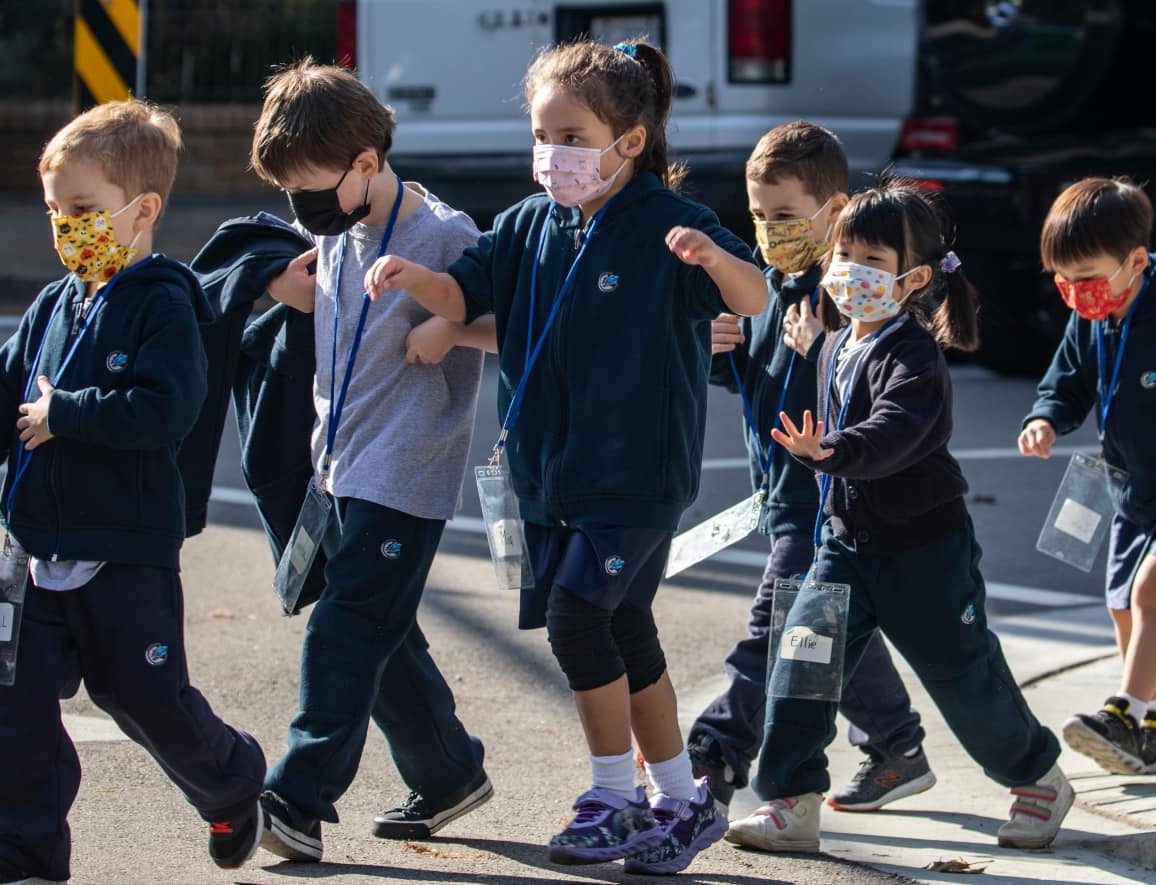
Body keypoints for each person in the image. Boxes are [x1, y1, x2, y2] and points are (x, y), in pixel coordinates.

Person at [366, 38, 768, 875]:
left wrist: (716, 258)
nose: (554, 152)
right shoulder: (524, 225)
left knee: (579, 617)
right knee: (624, 626)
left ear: (629, 140)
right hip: (551, 479)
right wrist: (415, 281)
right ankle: (684, 798)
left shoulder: (669, 224)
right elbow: (465, 294)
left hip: (635, 479)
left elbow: (753, 294)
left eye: (573, 135)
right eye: (544, 133)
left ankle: (612, 795)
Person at [726, 182, 1072, 853]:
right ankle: (792, 802)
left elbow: (893, 432)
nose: (852, 271)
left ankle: (1037, 778)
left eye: (872, 261)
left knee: (963, 675)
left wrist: (834, 450)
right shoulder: (831, 343)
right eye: (845, 253)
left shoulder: (913, 354)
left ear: (913, 278)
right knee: (802, 666)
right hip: (841, 547)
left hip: (923, 551)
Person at [0, 99, 267, 885]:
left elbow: (167, 409)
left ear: (142, 211)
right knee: (7, 702)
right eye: (53, 211)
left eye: (82, 210)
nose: (64, 226)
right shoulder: (52, 305)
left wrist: (65, 412)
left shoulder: (165, 302)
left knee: (143, 695)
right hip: (32, 545)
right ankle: (24, 846)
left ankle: (233, 783)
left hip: (124, 550)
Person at [246, 59, 497, 864]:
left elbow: (516, 325)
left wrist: (453, 328)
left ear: (366, 162)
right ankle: (450, 772)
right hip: (340, 465)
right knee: (384, 633)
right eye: (289, 190)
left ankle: (297, 798)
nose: (301, 207)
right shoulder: (336, 232)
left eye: (312, 187)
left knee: (347, 624)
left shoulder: (447, 236)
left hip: (408, 472)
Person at [688, 121, 935, 816]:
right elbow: (757, 380)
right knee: (831, 623)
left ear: (834, 210)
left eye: (786, 216)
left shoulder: (853, 295)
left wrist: (825, 344)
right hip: (781, 493)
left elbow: (884, 393)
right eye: (759, 215)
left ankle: (718, 749)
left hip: (828, 500)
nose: (769, 229)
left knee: (780, 626)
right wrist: (716, 350)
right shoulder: (763, 284)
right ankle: (898, 745)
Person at [1019, 177, 1156, 775]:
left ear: (1136, 261)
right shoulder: (1092, 315)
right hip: (1131, 488)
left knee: (1151, 591)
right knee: (1123, 604)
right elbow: (1067, 381)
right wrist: (1046, 418)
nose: (1076, 294)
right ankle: (1148, 725)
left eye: (1089, 279)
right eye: (1064, 281)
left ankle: (1125, 714)